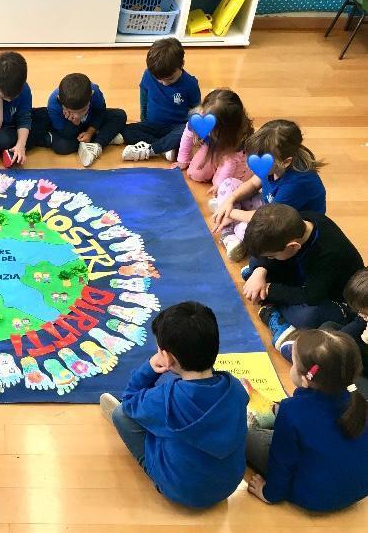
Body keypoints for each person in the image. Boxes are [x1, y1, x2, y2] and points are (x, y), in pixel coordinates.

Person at [99, 302, 248, 509]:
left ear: (168, 357)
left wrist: (149, 368)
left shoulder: (165, 398)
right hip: (229, 485)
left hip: (180, 490)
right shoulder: (236, 389)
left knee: (121, 415)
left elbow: (130, 398)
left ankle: (155, 453)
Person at [246, 329, 368, 512]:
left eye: (293, 363)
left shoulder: (292, 410)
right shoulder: (359, 402)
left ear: (305, 380)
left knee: (245, 436)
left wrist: (269, 493)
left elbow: (282, 462)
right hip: (357, 491)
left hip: (314, 496)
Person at [241, 204, 364, 355]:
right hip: (304, 275)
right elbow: (266, 254)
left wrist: (269, 290)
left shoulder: (329, 253)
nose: (269, 258)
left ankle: (271, 308)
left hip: (335, 298)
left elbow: (311, 295)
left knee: (307, 317)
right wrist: (259, 271)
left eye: (271, 256)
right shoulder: (298, 222)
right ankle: (269, 301)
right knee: (256, 264)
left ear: (293, 246)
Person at [211, 119, 325, 261]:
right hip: (270, 207)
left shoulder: (296, 184)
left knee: (246, 230)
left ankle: (230, 236)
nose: (252, 167)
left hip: (281, 223)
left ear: (286, 162)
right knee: (228, 184)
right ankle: (227, 223)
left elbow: (269, 219)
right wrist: (230, 200)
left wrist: (231, 212)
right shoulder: (274, 163)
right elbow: (253, 184)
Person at [122, 37, 201, 161]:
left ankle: (153, 149)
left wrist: (195, 131)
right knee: (126, 130)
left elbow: (196, 111)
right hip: (152, 125)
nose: (164, 83)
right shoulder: (148, 74)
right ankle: (164, 149)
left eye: (169, 79)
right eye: (159, 79)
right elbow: (144, 97)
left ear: (182, 64)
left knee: (186, 131)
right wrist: (143, 119)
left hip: (175, 127)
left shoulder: (190, 84)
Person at [31, 72, 127, 167]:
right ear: (60, 100)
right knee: (62, 147)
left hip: (91, 120)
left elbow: (100, 112)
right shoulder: (53, 105)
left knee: (119, 115)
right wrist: (76, 122)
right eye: (71, 111)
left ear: (91, 95)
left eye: (83, 110)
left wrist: (90, 132)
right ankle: (105, 137)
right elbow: (65, 132)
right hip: (70, 126)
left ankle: (97, 144)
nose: (77, 115)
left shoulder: (95, 91)